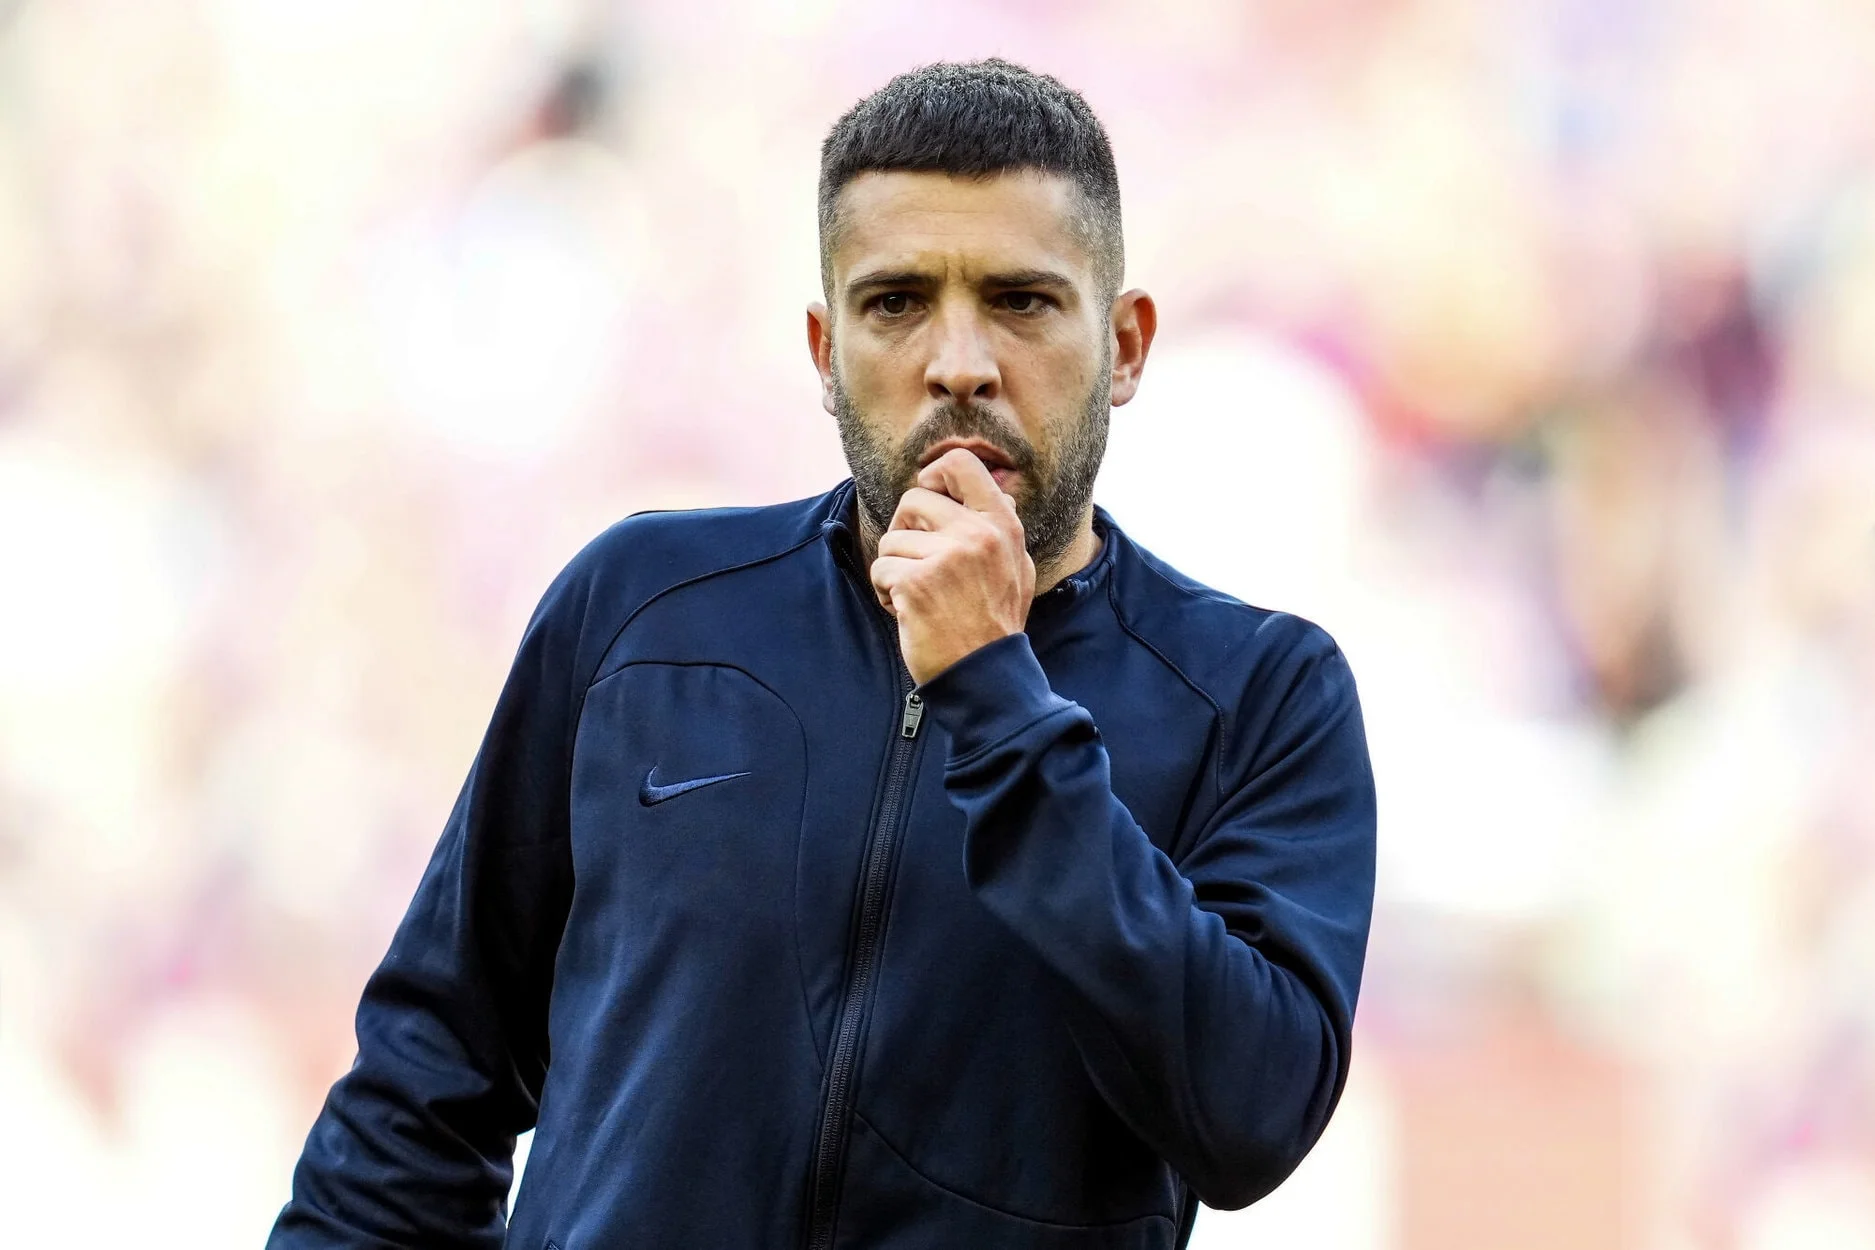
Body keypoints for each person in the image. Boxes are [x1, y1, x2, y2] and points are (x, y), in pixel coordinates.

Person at [268, 58, 1377, 1250]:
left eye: (1021, 300)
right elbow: (421, 1091)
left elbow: (1252, 1112)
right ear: (823, 349)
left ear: (1127, 344)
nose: (959, 361)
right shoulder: (642, 609)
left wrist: (996, 692)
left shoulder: (1262, 693)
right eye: (896, 302)